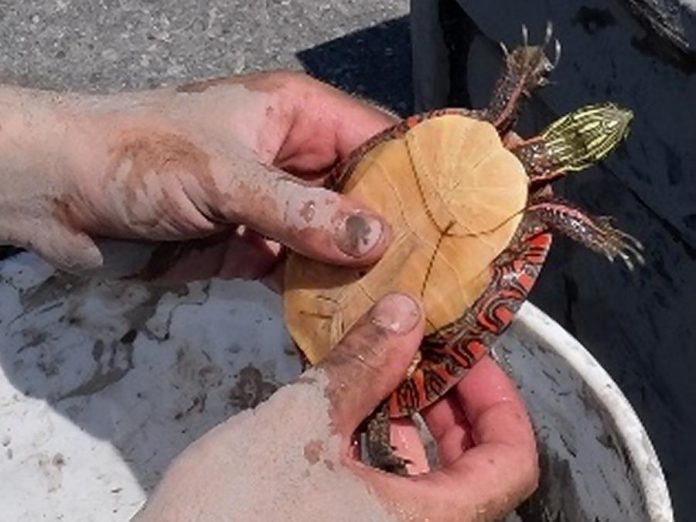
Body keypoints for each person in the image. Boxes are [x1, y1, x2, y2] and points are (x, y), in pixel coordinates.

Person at [0, 71, 538, 520]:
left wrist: (46, 154)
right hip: (398, 315)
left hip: (316, 288)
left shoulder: (456, 142)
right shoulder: (524, 216)